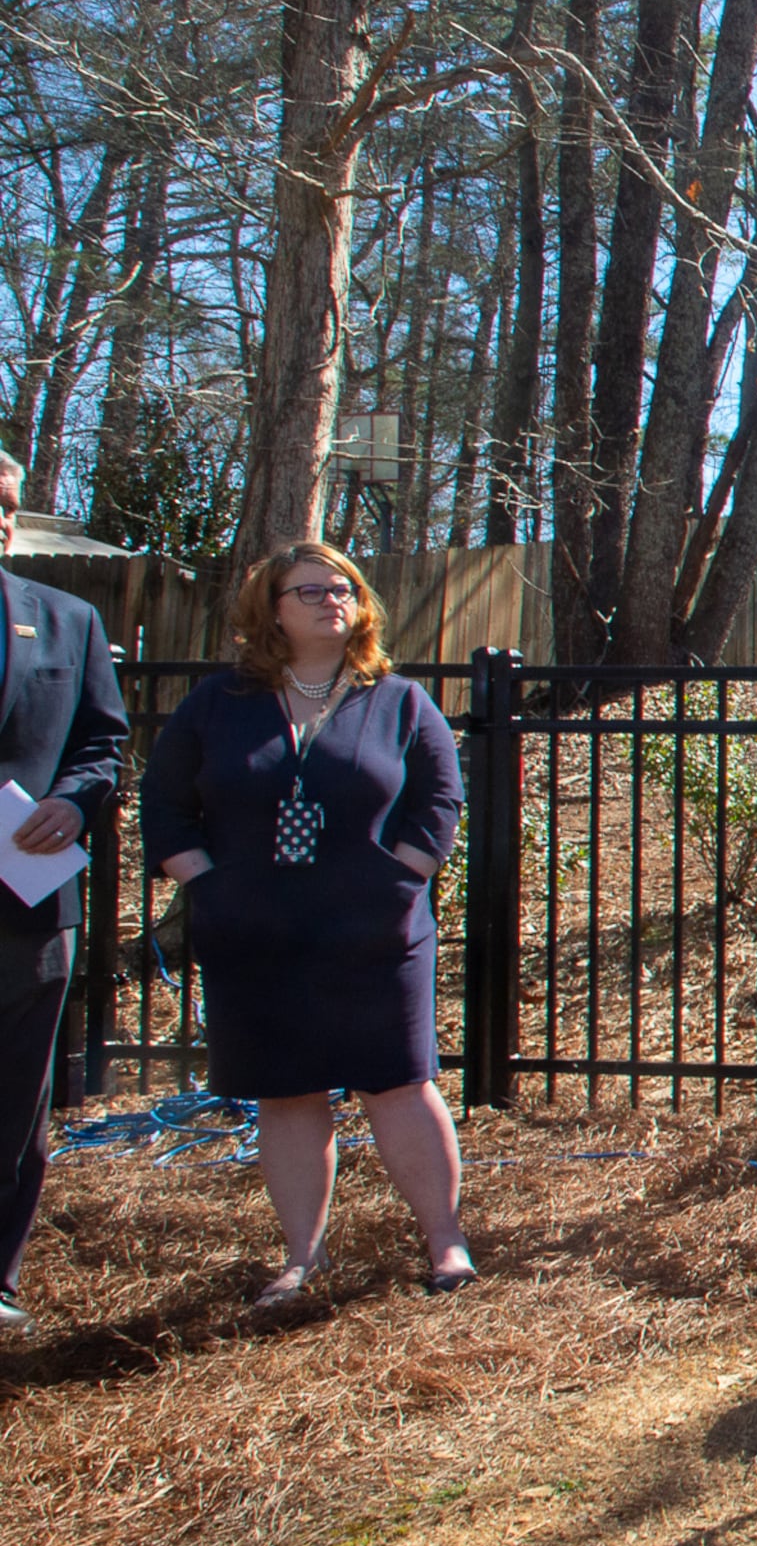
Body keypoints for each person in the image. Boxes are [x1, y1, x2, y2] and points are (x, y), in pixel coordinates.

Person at [144, 544, 473, 1306]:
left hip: (374, 932)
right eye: (312, 590)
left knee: (398, 1082)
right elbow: (165, 805)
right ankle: (302, 1258)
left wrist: (402, 878)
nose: (334, 600)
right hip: (255, 934)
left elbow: (440, 799)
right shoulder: (218, 705)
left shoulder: (394, 698)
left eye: (345, 588)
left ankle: (445, 1242)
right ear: (272, 610)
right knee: (287, 1093)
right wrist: (210, 887)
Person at [0, 451, 128, 1335]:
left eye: (4, 503)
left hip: (26, 907)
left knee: (13, 1099)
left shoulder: (66, 619)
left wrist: (73, 804)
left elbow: (101, 744)